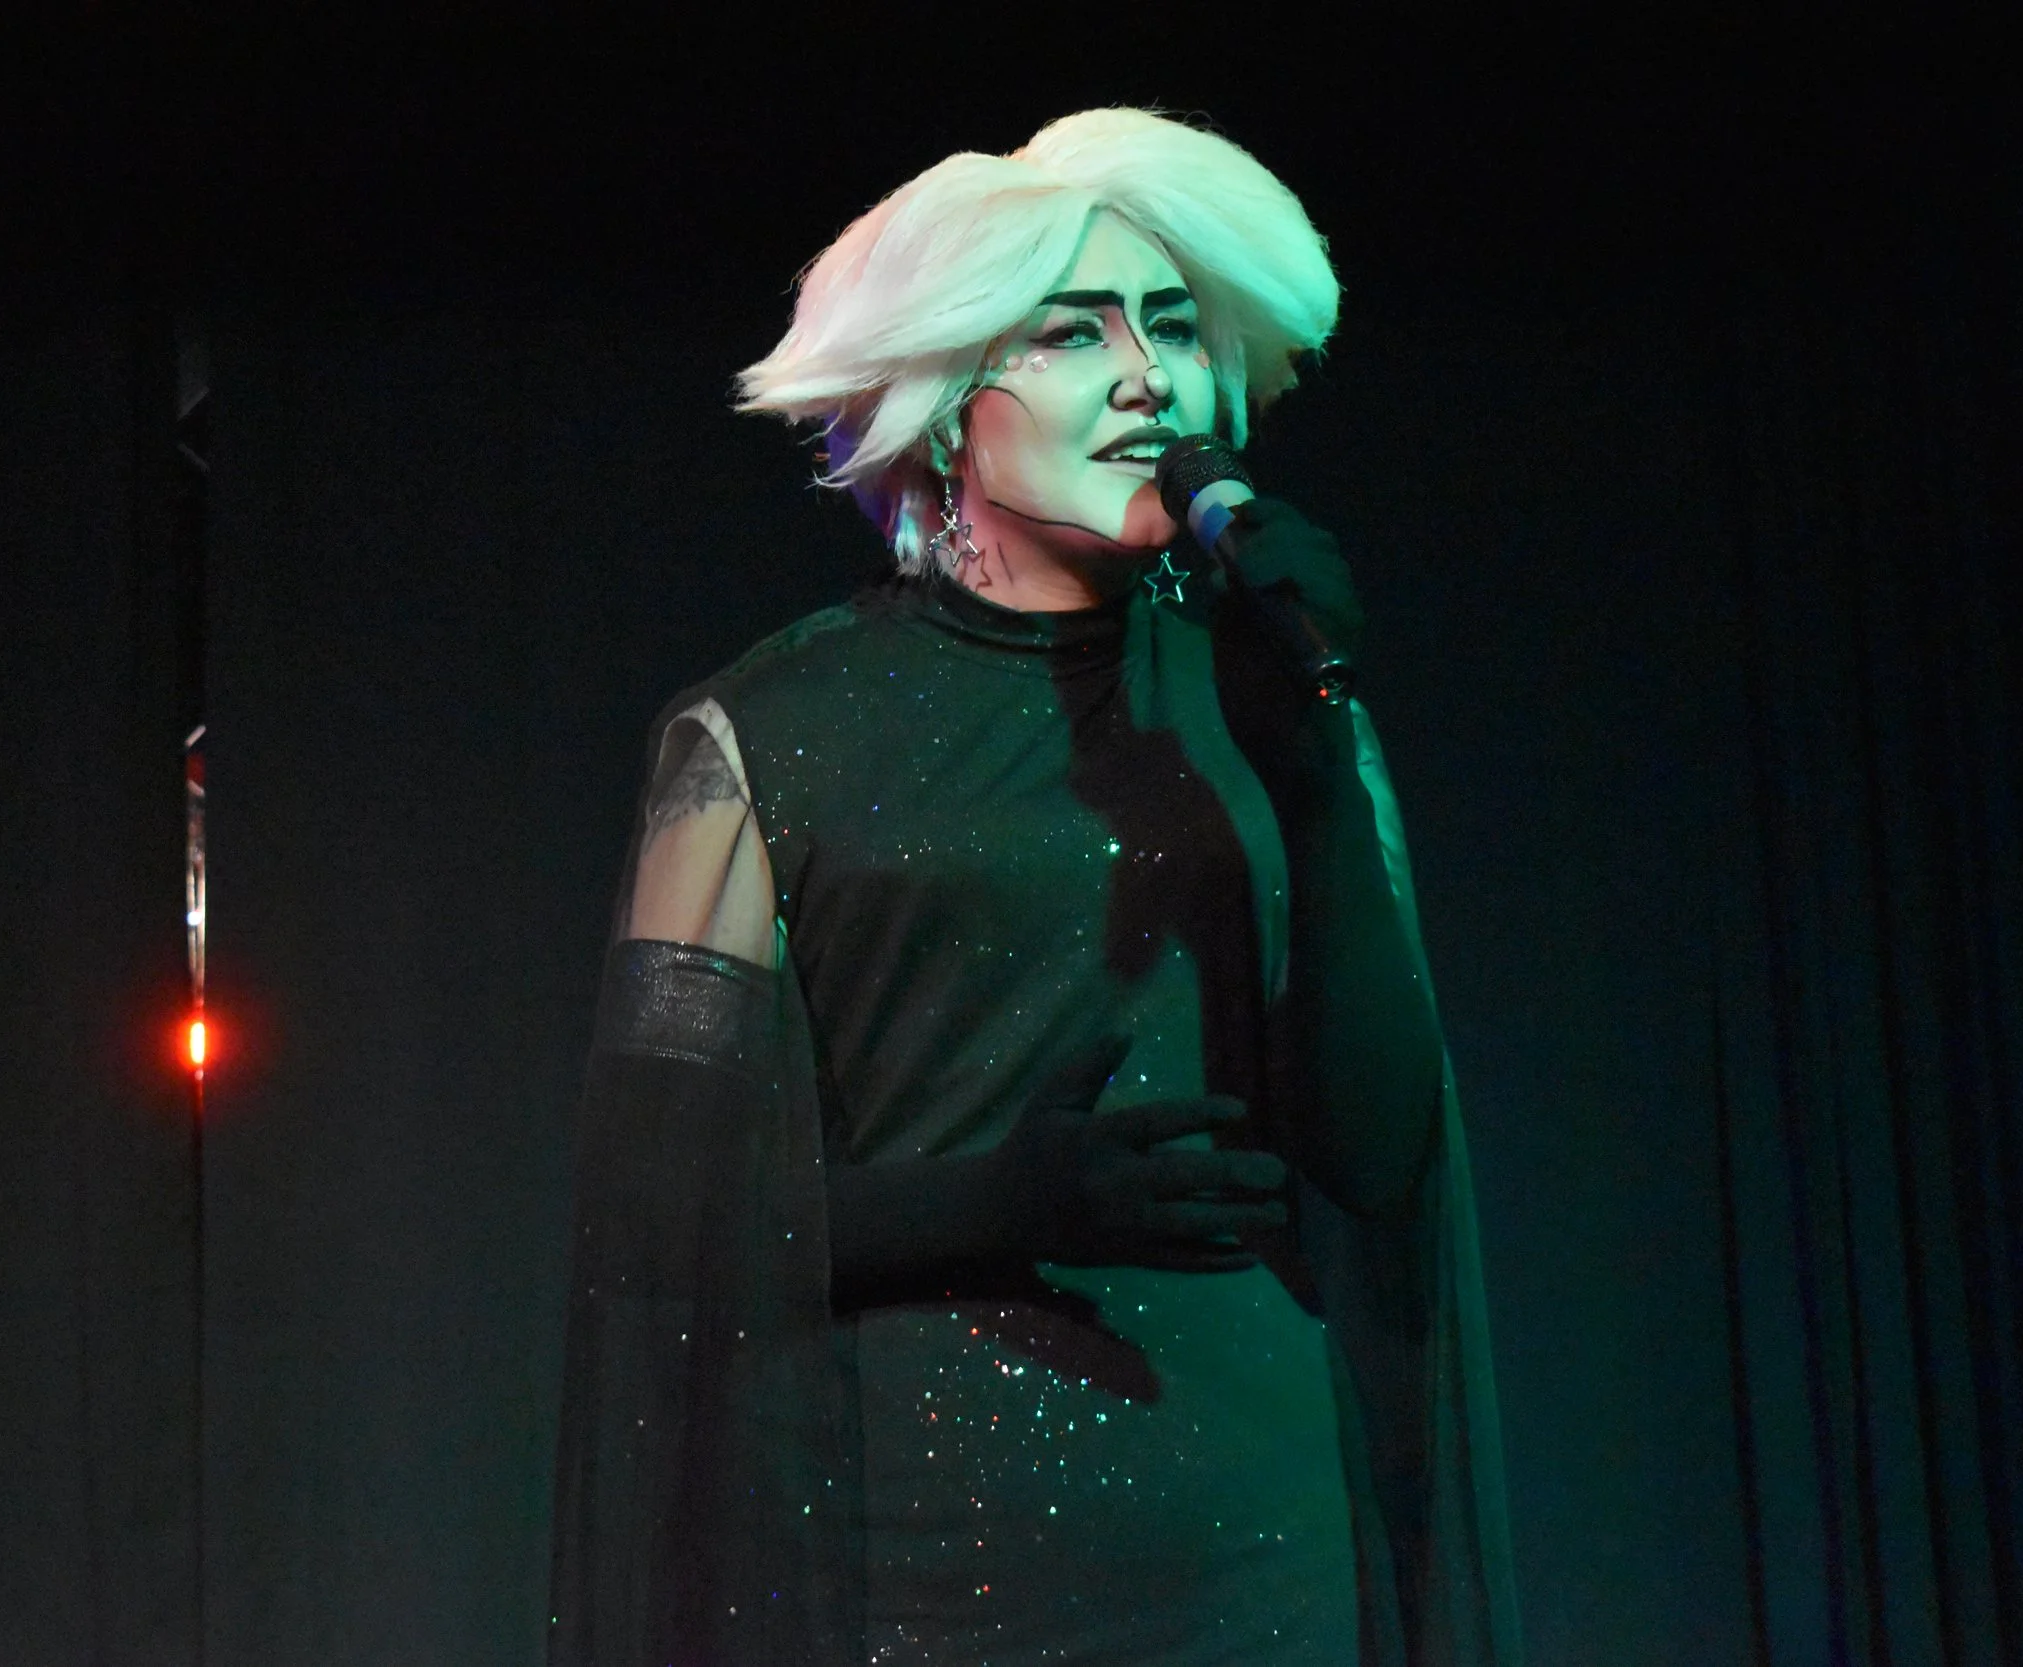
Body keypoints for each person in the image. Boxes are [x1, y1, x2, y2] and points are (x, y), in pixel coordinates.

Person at [548, 108, 1520, 1667]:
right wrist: (1005, 1199)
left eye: (1175, 328)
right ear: (944, 410)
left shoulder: (1272, 698)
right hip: (936, 1557)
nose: (1151, 374)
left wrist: (1321, 752)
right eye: (1074, 334)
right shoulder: (764, 738)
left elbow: (1387, 1148)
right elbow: (669, 1235)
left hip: (1258, 1537)